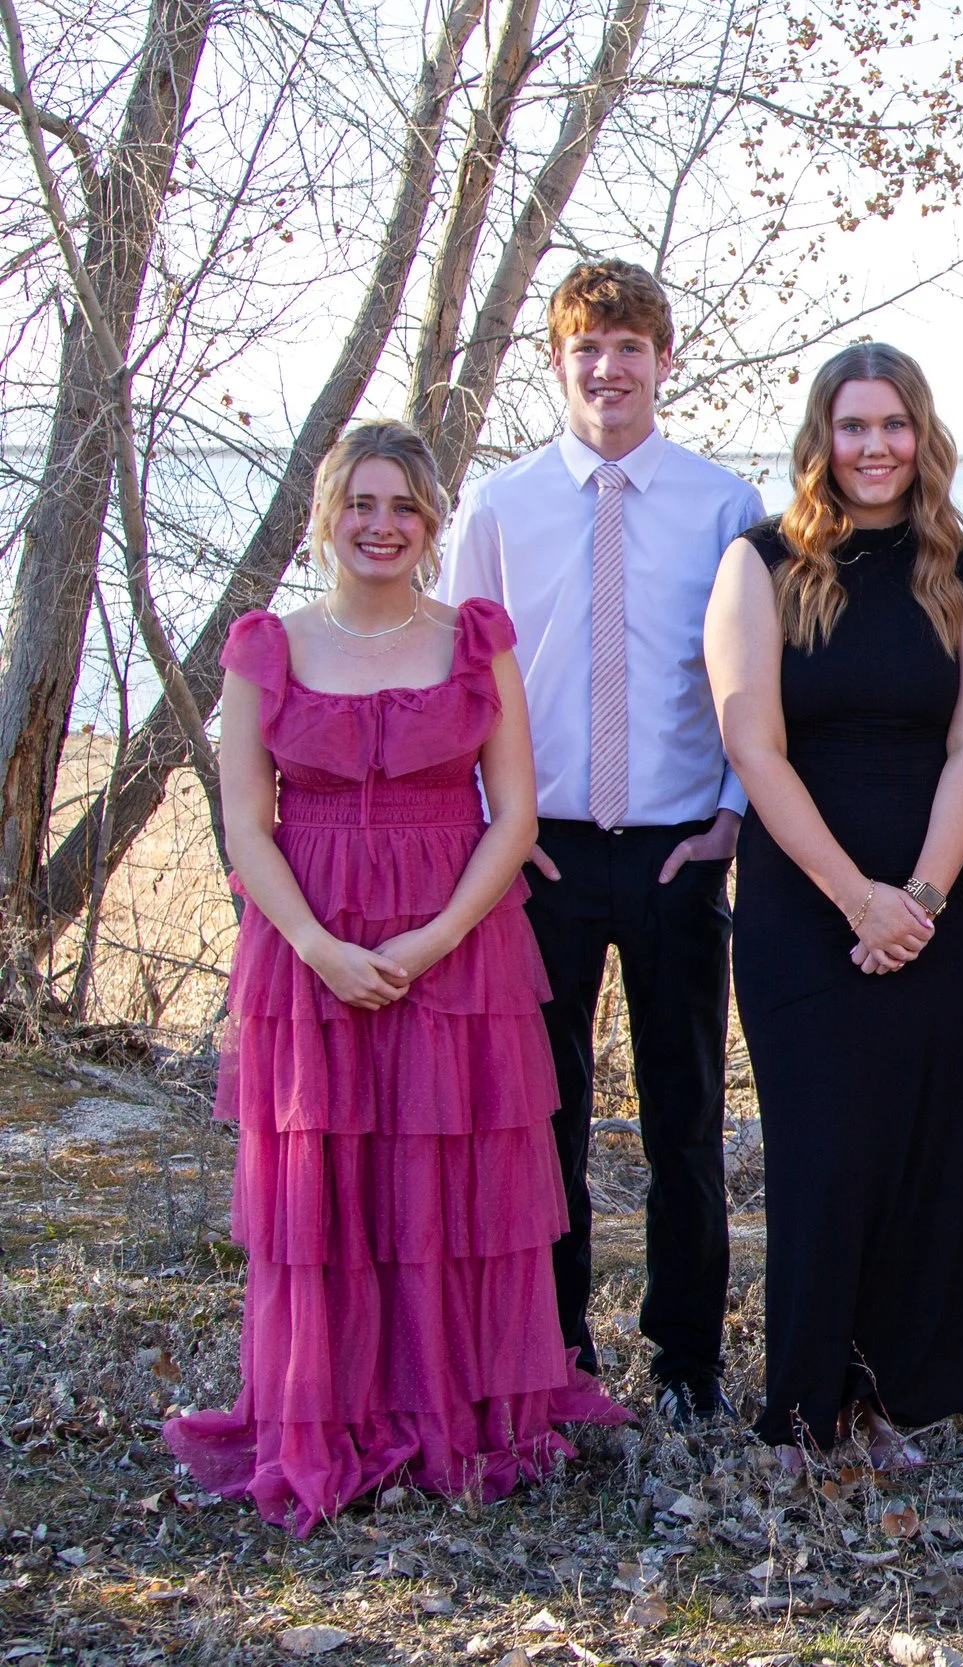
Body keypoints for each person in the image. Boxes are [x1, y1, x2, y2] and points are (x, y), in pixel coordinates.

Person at [166, 422, 625, 1535]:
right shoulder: (266, 646)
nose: (382, 525)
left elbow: (514, 816)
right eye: (361, 504)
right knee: (326, 1184)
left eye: (405, 506)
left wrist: (431, 942)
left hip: (456, 948)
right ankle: (331, 1411)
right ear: (326, 514)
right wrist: (317, 944)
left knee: (444, 1178)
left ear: (431, 521)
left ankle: (455, 1409)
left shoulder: (472, 639)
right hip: (306, 946)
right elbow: (246, 823)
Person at [439, 259, 762, 1429]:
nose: (609, 367)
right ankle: (556, 1351)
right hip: (543, 853)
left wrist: (729, 810)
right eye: (588, 346)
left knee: (685, 1116)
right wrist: (493, 827)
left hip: (680, 848)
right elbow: (460, 675)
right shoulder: (500, 506)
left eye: (630, 347)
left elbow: (752, 672)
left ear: (664, 361)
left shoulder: (724, 504)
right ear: (557, 361)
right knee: (544, 1118)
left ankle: (686, 1361)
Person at [705, 341, 963, 1464]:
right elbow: (753, 742)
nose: (874, 446)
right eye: (853, 426)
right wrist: (857, 900)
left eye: (893, 424)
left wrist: (921, 897)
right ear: (822, 439)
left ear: (920, 435)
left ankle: (888, 1401)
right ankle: (802, 1408)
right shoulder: (760, 562)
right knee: (824, 1149)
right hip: (804, 899)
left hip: (937, 891)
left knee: (919, 1146)